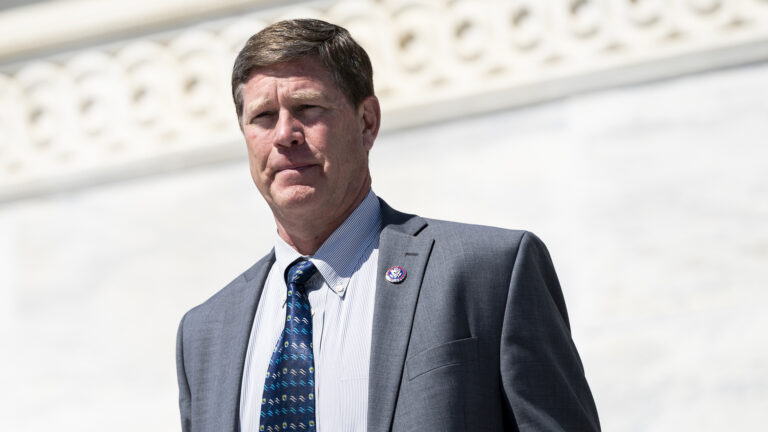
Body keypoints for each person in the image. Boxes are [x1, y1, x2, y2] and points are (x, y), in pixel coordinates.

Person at [176, 18, 600, 432]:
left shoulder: (490, 272)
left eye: (307, 108)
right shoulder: (205, 334)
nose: (285, 134)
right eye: (263, 116)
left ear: (367, 122)